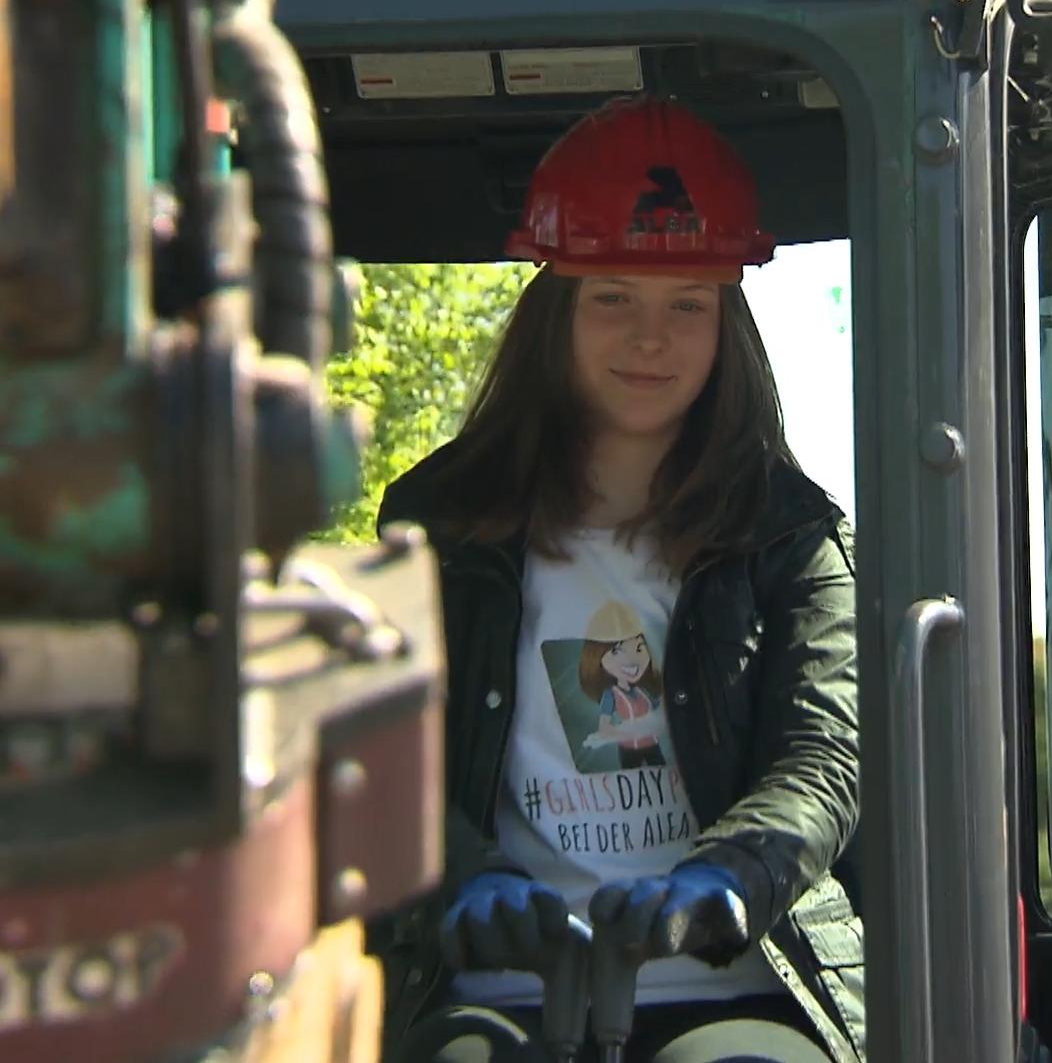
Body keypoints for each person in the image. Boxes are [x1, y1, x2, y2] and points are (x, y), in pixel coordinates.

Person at [370, 95, 865, 1063]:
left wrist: (728, 879)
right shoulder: (436, 524)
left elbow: (826, 757)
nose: (650, 337)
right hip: (492, 990)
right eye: (613, 298)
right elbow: (385, 754)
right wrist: (465, 877)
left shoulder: (793, 534)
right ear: (554, 312)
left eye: (687, 305)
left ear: (727, 326)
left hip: (739, 986)